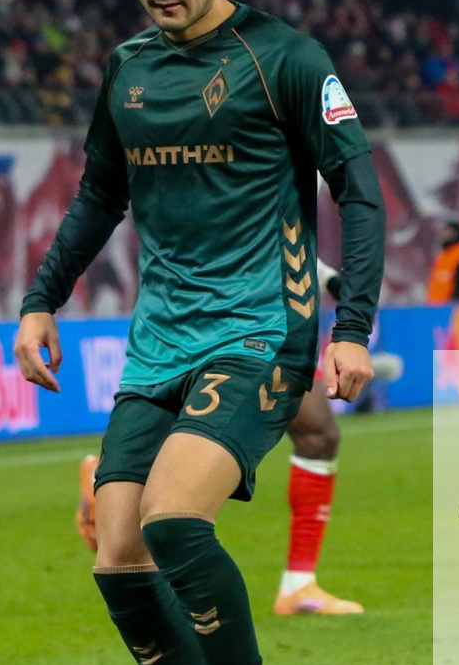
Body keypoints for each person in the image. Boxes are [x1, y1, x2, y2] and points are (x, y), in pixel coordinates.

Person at [14, 0, 385, 665]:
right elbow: (100, 195)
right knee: (118, 556)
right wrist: (41, 299)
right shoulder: (128, 69)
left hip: (263, 329)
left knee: (176, 520)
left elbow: (358, 190)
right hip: (160, 340)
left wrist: (352, 328)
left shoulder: (285, 58)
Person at [75, 258, 367, 618]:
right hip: (242, 311)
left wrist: (325, 277)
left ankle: (298, 584)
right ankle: (114, 482)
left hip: (273, 309)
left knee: (318, 436)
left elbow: (285, 234)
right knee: (225, 433)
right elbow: (264, 231)